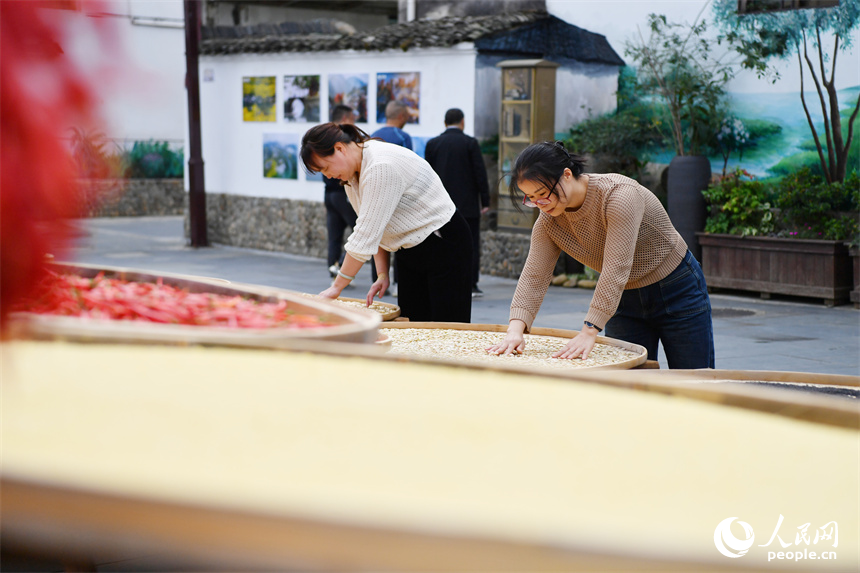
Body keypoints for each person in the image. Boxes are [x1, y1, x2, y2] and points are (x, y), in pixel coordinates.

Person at [487, 141, 714, 369]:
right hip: (622, 299)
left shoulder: (619, 195)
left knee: (695, 381)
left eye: (543, 194)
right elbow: (534, 276)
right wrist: (514, 331)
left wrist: (589, 330)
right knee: (627, 386)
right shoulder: (549, 221)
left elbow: (617, 268)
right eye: (531, 199)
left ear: (566, 174)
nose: (540, 204)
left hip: (676, 288)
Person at [301, 122, 472, 322]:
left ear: (339, 148)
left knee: (447, 327)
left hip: (442, 241)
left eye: (326, 168)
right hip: (408, 249)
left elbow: (364, 236)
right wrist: (382, 274)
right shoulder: (350, 176)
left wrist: (337, 287)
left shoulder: (380, 167)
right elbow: (375, 227)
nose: (328, 175)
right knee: (414, 326)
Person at [425, 108, 491, 297]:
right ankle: (470, 284)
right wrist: (485, 200)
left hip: (439, 205)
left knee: (443, 243)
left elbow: (427, 176)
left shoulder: (433, 144)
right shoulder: (470, 143)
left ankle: (446, 281)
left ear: (445, 123)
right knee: (470, 244)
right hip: (468, 206)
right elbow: (480, 173)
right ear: (462, 122)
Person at [322, 104, 371, 282]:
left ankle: (333, 268)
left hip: (328, 194)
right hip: (341, 193)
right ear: (345, 119)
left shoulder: (324, 137)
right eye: (352, 119)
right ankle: (340, 267)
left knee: (334, 235)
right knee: (358, 229)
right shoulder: (340, 138)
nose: (354, 123)